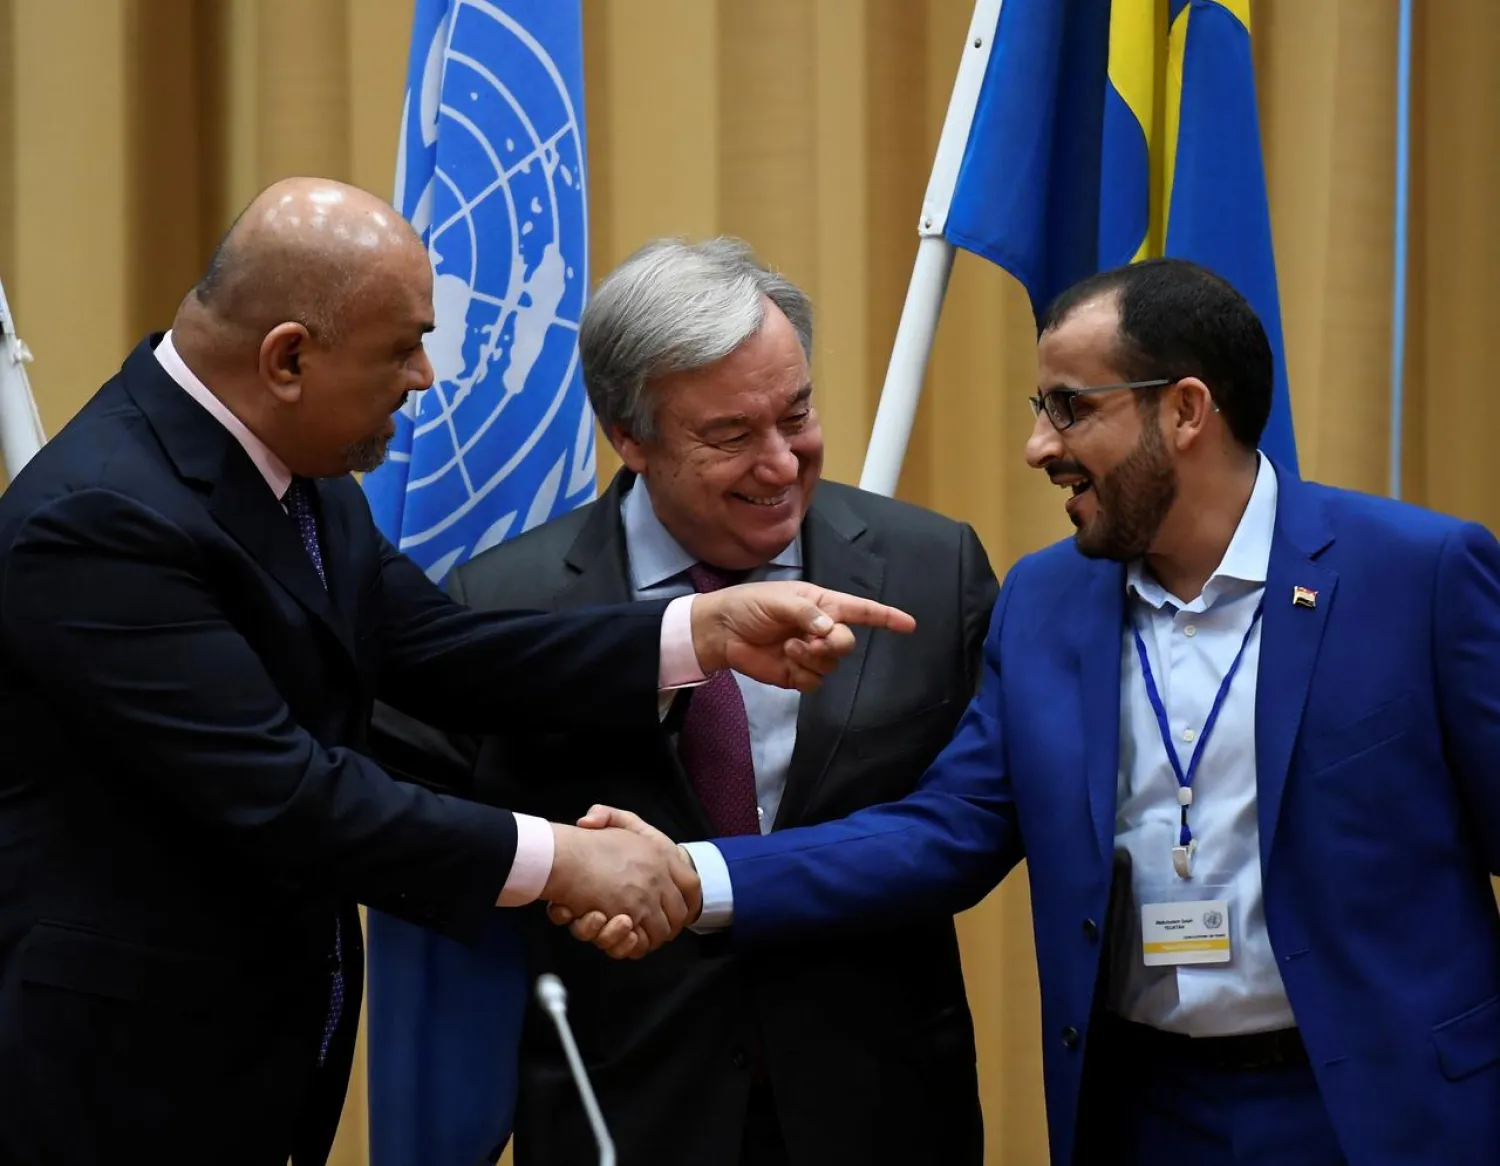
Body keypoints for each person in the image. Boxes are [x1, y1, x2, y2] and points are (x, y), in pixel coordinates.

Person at [0, 178, 912, 1166]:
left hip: (248, 1054)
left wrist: (700, 633)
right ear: (289, 359)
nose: (425, 377)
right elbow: (290, 793)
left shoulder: (292, 466)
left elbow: (443, 651)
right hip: (120, 1077)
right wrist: (565, 859)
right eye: (401, 348)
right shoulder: (99, 519)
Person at [567, 258, 1500, 1166]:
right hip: (1145, 1112)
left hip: (1385, 1111)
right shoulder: (1046, 602)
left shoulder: (1414, 578)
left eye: (1070, 408)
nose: (1040, 447)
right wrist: (694, 876)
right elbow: (947, 830)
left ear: (1185, 411)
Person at [372, 236, 998, 1166]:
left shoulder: (932, 571)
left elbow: (975, 826)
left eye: (797, 414)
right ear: (629, 436)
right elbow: (398, 832)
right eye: (732, 436)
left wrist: (700, 881)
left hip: (879, 1109)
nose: (780, 464)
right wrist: (561, 869)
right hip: (624, 1110)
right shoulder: (500, 602)